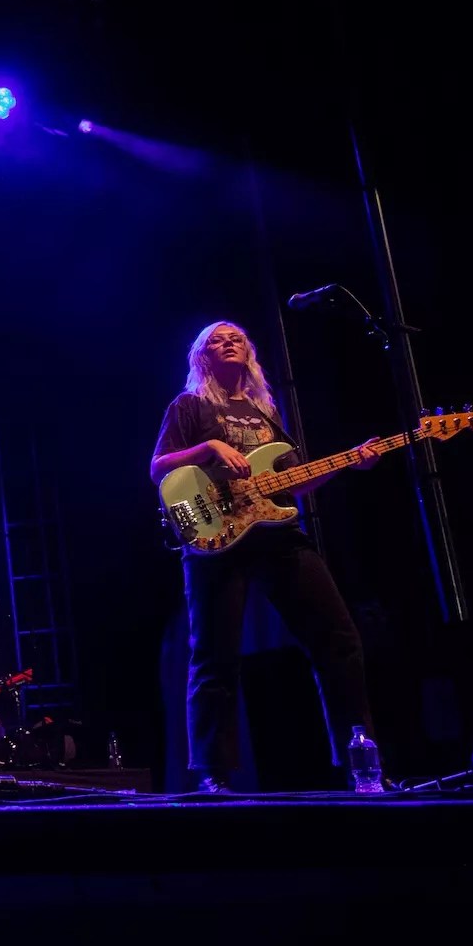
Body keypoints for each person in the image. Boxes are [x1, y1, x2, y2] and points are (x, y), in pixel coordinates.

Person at [149, 320, 380, 793]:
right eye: (216, 339)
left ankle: (361, 763)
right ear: (202, 357)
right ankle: (213, 775)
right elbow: (159, 467)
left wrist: (348, 463)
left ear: (249, 353)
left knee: (339, 640)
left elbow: (295, 480)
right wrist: (211, 446)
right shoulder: (190, 406)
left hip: (278, 534)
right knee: (214, 655)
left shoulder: (265, 413)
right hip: (215, 535)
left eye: (236, 337)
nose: (228, 341)